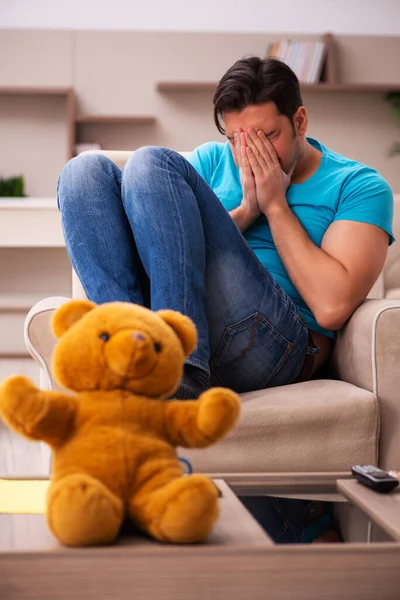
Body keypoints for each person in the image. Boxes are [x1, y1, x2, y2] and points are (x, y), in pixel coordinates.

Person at [57, 57, 394, 543]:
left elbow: (332, 306)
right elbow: (157, 251)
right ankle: (133, 372)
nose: (249, 151)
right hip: (186, 321)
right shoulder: (213, 163)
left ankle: (180, 377)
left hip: (277, 345)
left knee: (153, 160)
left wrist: (275, 206)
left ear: (300, 121)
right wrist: (243, 210)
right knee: (82, 173)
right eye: (237, 138)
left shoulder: (357, 185)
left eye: (266, 136)